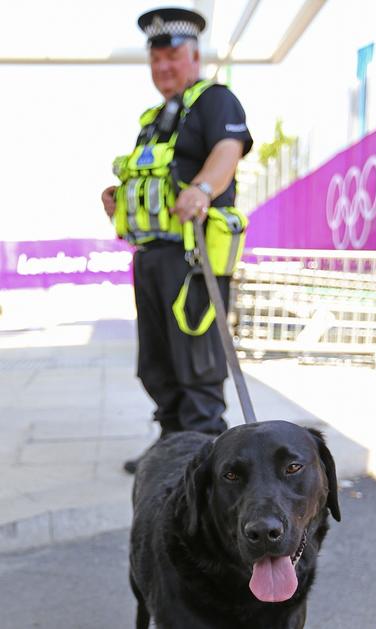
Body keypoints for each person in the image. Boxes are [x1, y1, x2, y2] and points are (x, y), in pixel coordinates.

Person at [101, 7, 253, 474]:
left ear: (193, 56)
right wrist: (119, 201)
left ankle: (206, 453)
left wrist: (203, 189)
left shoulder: (215, 100)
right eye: (156, 60)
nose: (163, 68)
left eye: (172, 57)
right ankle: (171, 445)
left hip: (193, 255)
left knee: (197, 360)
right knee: (157, 361)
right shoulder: (155, 117)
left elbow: (229, 148)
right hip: (151, 255)